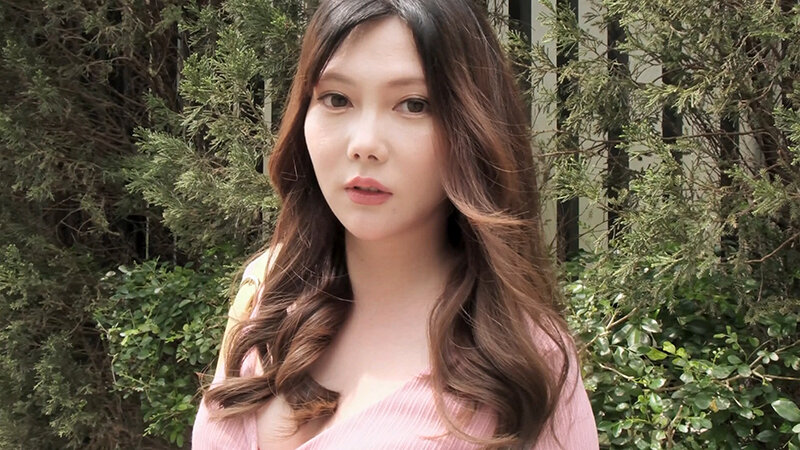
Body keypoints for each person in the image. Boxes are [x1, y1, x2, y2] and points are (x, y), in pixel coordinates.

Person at [192, 0, 598, 448]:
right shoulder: (269, 292)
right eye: (336, 99)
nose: (365, 144)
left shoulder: (524, 363)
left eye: (413, 105)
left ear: (472, 127)